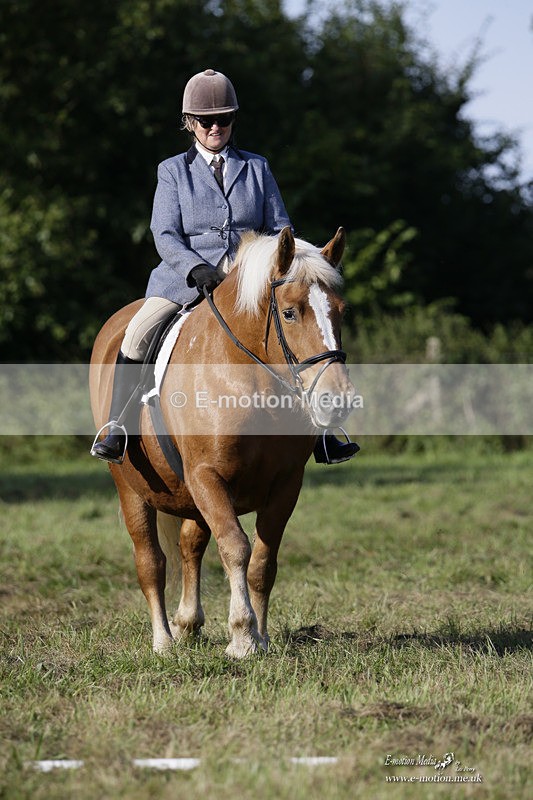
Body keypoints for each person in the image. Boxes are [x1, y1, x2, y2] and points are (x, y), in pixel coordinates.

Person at [91, 69, 358, 465]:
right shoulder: (172, 171)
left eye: (224, 119)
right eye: (206, 120)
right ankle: (118, 426)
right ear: (189, 123)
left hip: (248, 287)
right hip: (185, 283)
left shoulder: (257, 168)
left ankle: (321, 435)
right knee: (136, 336)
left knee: (298, 339)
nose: (216, 127)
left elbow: (280, 228)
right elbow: (164, 234)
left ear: (234, 120)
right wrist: (195, 268)